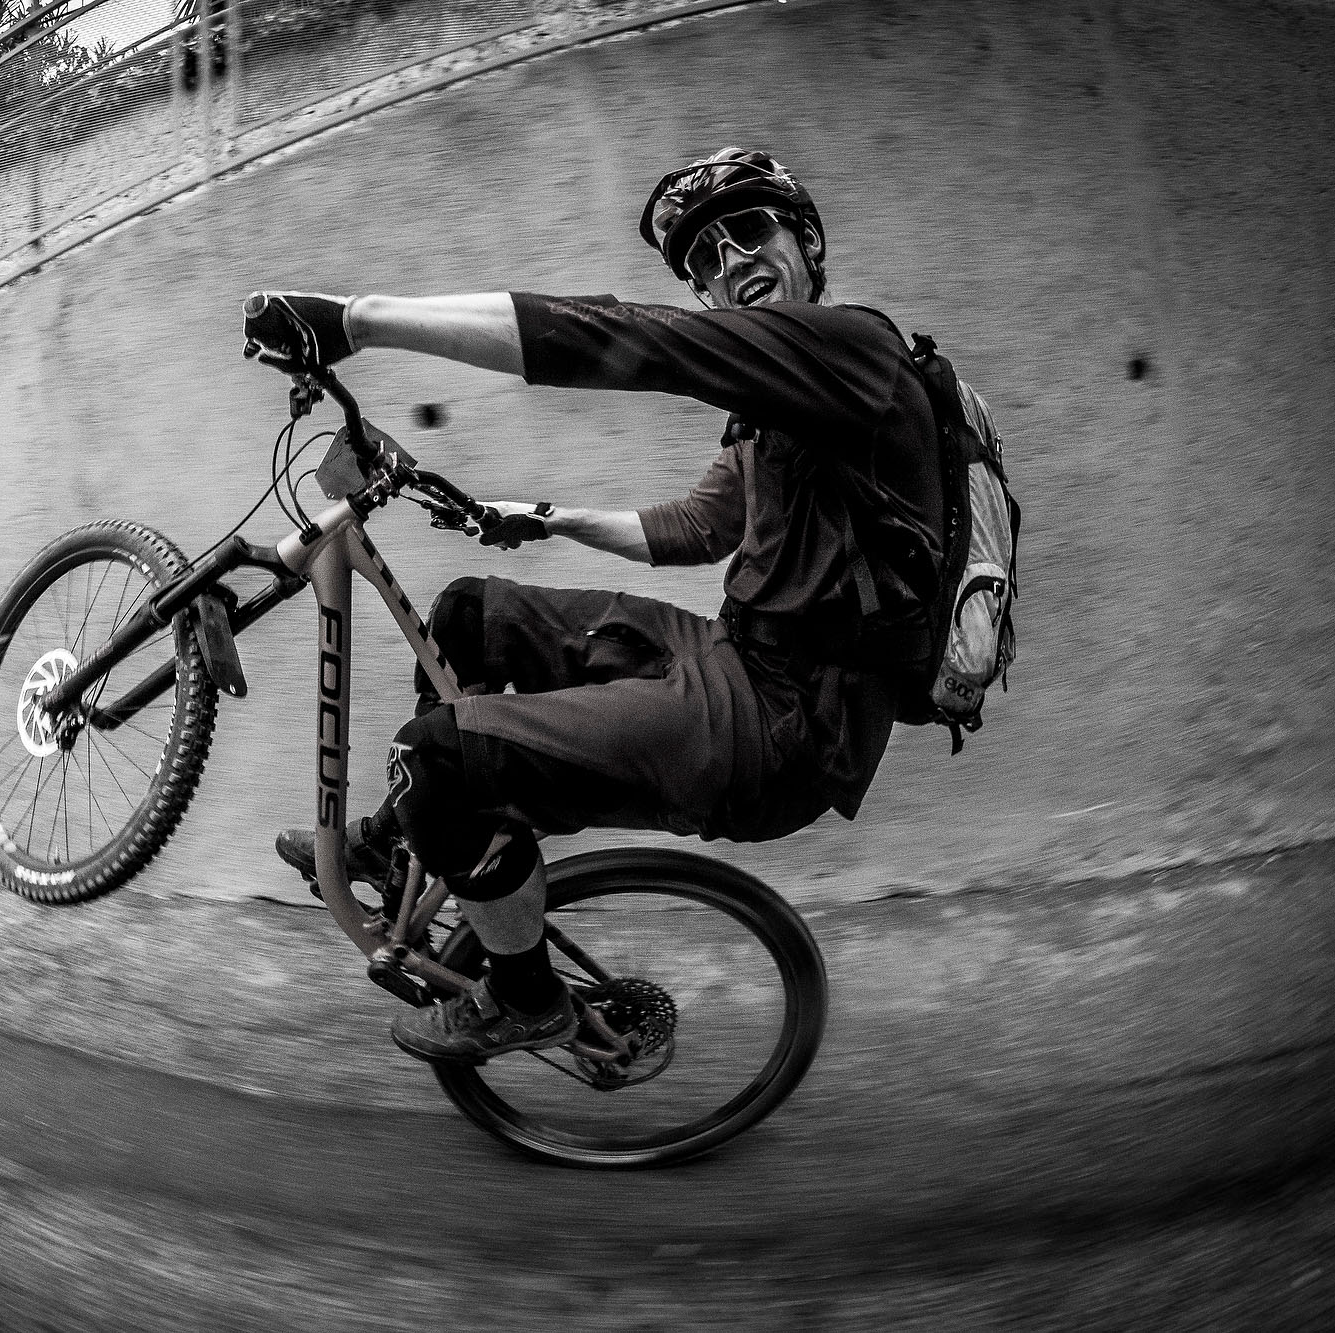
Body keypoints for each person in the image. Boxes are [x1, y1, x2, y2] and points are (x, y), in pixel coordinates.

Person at [244, 148, 946, 1064]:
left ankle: (523, 995)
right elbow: (697, 526)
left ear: (807, 245)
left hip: (783, 727)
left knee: (436, 759)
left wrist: (357, 319)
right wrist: (544, 519)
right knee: (468, 615)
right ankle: (393, 844)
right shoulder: (775, 403)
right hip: (733, 655)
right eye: (705, 258)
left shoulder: (851, 349)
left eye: (749, 231)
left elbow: (628, 340)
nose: (730, 260)